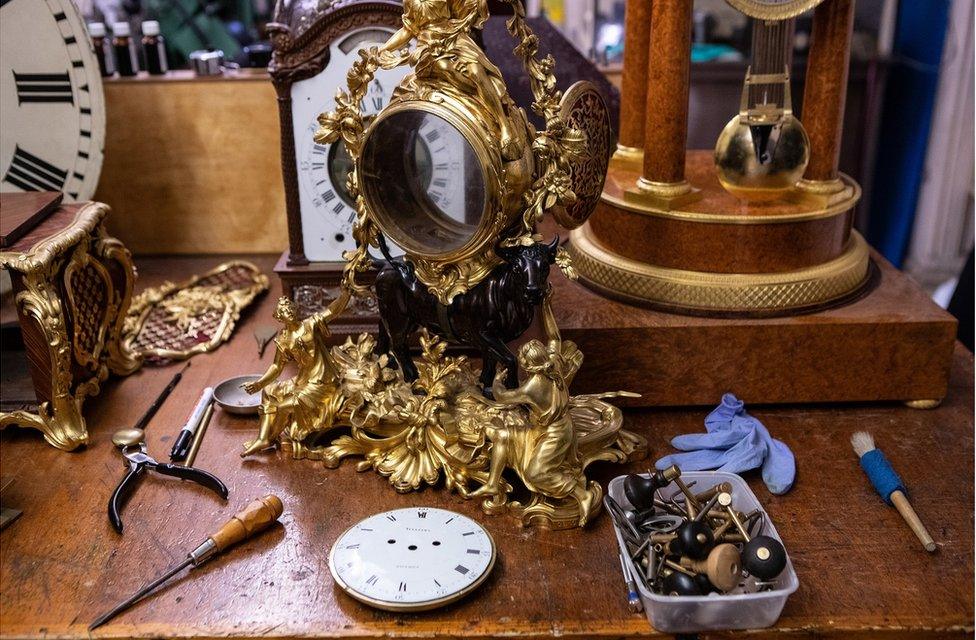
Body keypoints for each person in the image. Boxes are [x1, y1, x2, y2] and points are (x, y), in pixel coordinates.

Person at [374, 0, 521, 160]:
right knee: (447, 69)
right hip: (428, 49)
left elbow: (465, 9)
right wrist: (383, 49)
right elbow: (407, 30)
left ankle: (504, 125)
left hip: (455, 40)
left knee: (477, 73)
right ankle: (477, 102)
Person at [241, 296, 343, 457]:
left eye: (289, 307)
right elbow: (277, 366)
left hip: (322, 382)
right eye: (283, 310)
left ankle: (270, 437)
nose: (287, 311)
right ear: (279, 317)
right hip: (303, 380)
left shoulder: (309, 325)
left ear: (296, 310)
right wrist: (259, 384)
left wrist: (346, 292)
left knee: (283, 407)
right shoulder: (284, 339)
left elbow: (333, 310)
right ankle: (262, 438)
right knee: (269, 391)